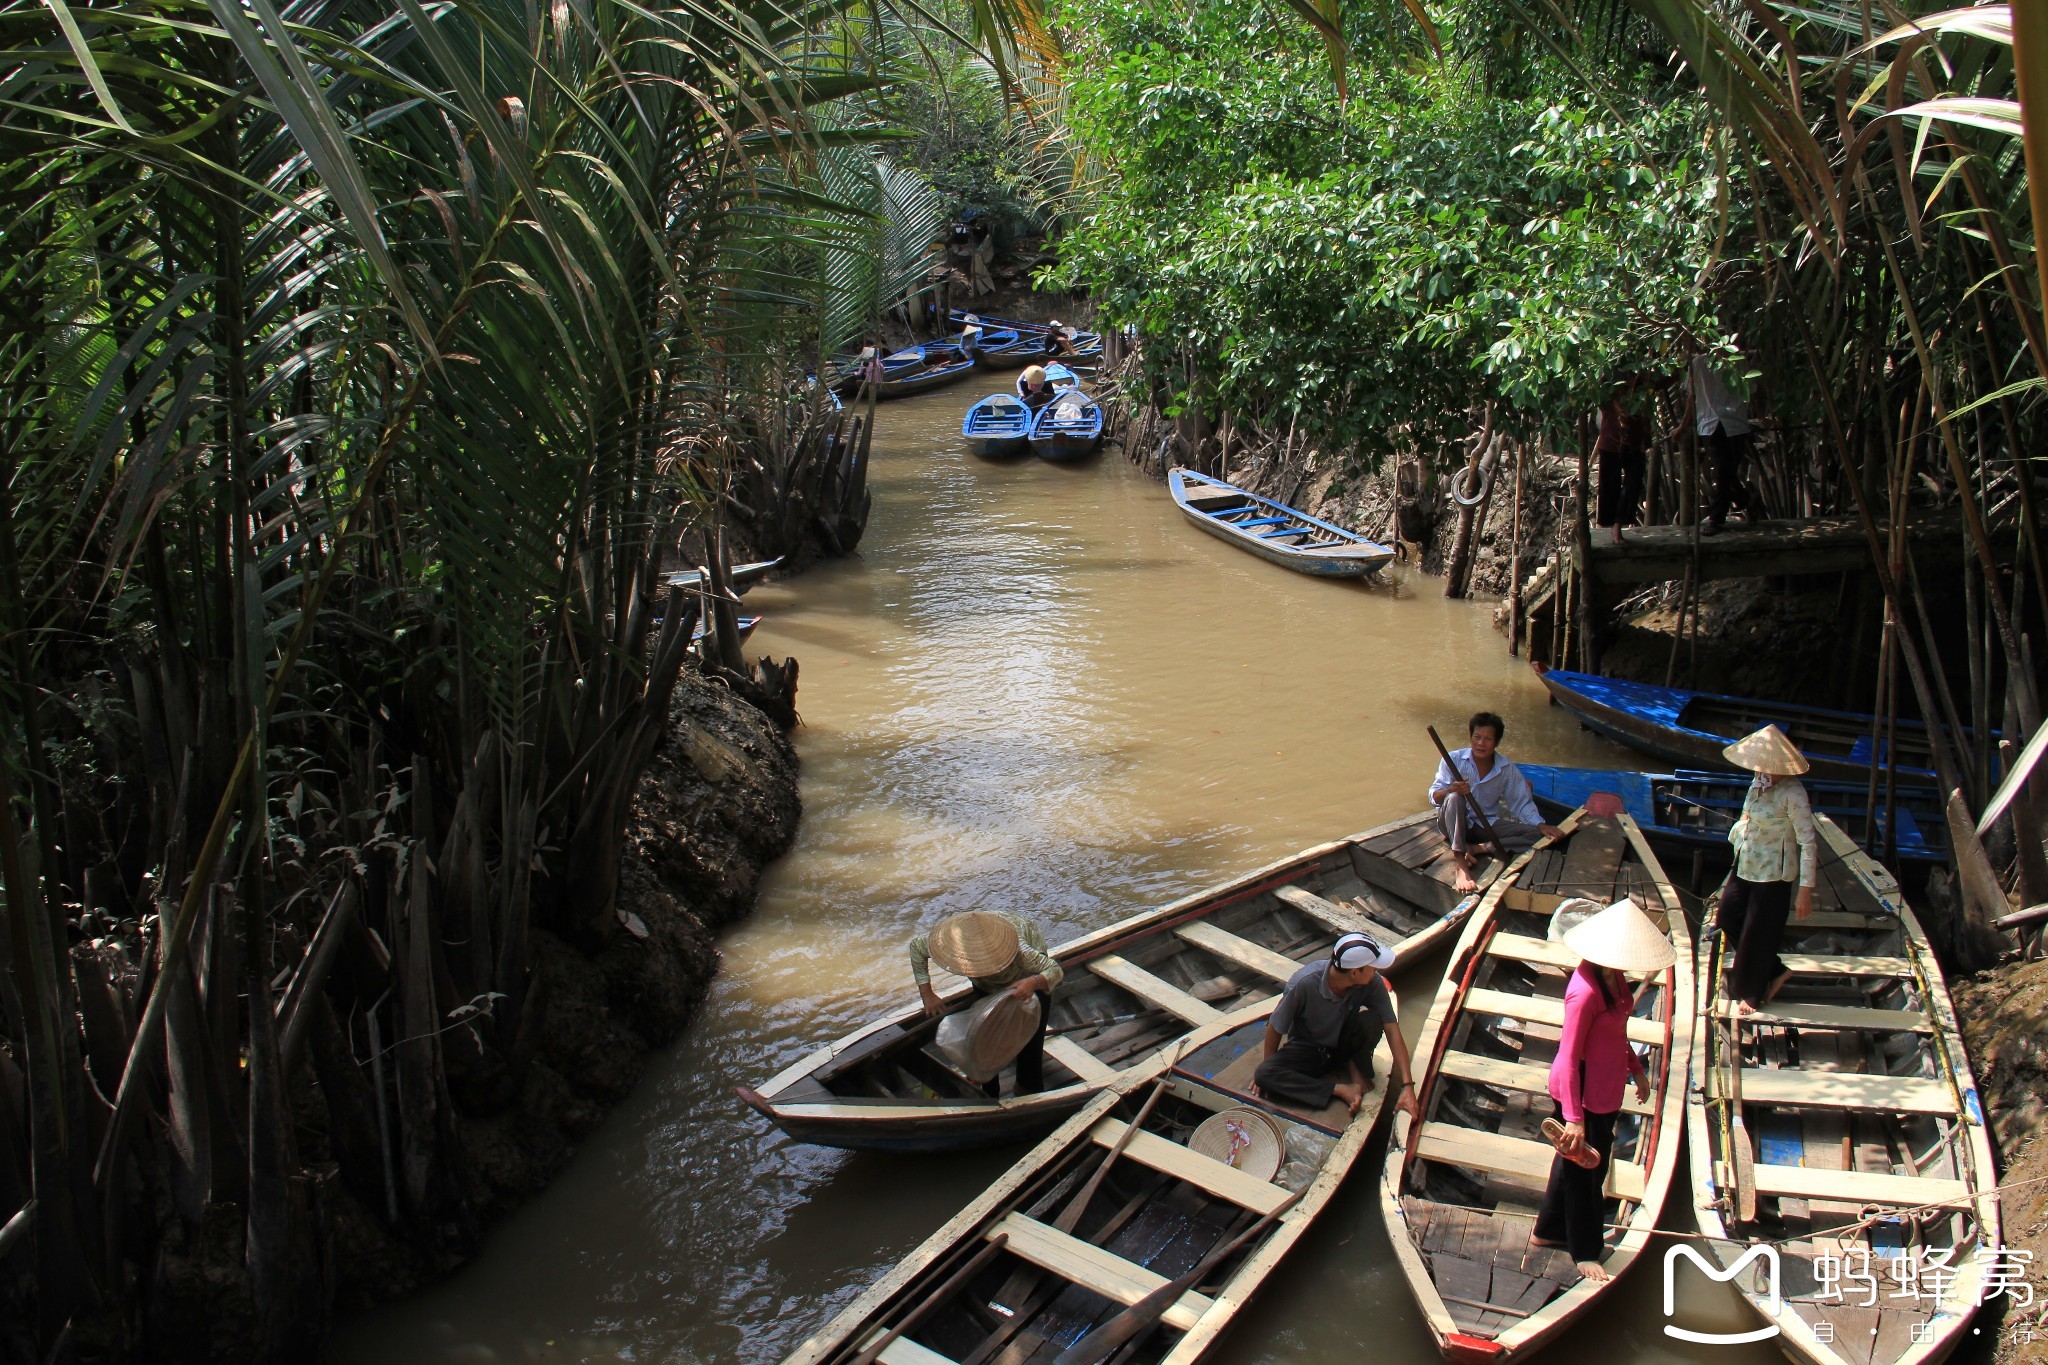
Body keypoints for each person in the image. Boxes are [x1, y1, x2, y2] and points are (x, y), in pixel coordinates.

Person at [1534, 896, 1671, 1283]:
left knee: (1571, 1162)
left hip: (1606, 1084)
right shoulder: (1585, 992)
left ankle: (1547, 1230)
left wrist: (1636, 1070)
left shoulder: (1615, 979)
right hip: (1581, 1092)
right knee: (1587, 1171)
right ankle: (1584, 1250)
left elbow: (1616, 1031)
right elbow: (1570, 1054)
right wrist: (1574, 1118)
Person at [1252, 933, 1420, 1121]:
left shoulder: (1372, 983)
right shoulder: (1304, 982)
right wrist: (1268, 1067)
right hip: (1309, 1047)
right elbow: (1276, 1027)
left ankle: (1353, 1064)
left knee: (1372, 1019)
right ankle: (1340, 1089)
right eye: (1372, 968)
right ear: (1355, 972)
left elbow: (1392, 1028)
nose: (1375, 972)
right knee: (1264, 1074)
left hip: (1345, 1043)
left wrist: (1408, 1086)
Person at [1716, 724, 1817, 1015]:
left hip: (1774, 872)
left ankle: (1753, 992)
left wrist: (1806, 889)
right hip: (1747, 862)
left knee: (1757, 933)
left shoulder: (1793, 794)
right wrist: (1744, 822)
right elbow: (1747, 810)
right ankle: (1775, 970)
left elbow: (1808, 842)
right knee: (1727, 917)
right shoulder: (1758, 782)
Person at [909, 910, 1063, 1096]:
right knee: (984, 1037)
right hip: (986, 986)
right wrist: (927, 994)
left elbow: (1054, 970)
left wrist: (1032, 983)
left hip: (1025, 979)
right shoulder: (945, 941)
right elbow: (916, 948)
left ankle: (1028, 1089)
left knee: (1030, 1045)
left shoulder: (1021, 951)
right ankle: (989, 1090)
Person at [1429, 711, 1564, 892]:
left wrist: (1540, 824)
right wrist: (1450, 789)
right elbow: (1434, 797)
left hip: (1484, 824)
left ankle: (1478, 848)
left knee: (1536, 836)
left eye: (1487, 739)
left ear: (1496, 742)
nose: (1480, 743)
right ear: (1471, 737)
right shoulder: (1453, 759)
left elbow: (1521, 802)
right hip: (1452, 823)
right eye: (1477, 737)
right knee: (1454, 798)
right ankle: (1460, 863)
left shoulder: (1506, 768)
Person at [1689, 354, 1755, 536]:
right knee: (1724, 472)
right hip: (1710, 422)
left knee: (1724, 472)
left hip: (1734, 421)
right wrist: (1683, 424)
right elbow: (1691, 395)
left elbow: (1748, 389)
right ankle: (1742, 501)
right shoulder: (1698, 363)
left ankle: (1718, 516)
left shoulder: (1737, 360)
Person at [1595, 381, 1649, 544]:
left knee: (1633, 483)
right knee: (1610, 487)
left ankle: (1618, 524)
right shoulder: (1605, 384)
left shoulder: (1640, 380)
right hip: (1611, 441)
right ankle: (1612, 525)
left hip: (1634, 441)